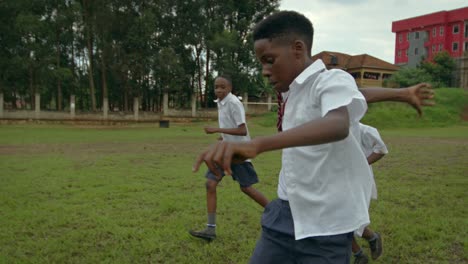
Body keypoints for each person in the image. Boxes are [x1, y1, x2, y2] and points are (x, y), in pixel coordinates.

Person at [193, 11, 434, 263]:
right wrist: (403, 94)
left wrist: (258, 145)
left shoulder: (331, 79)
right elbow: (360, 93)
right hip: (284, 213)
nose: (264, 71)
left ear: (298, 48)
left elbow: (337, 123)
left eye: (269, 60)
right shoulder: (293, 92)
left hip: (327, 226)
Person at [189, 75, 269, 242]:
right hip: (226, 151)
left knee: (246, 188)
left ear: (229, 88)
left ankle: (277, 212)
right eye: (216, 87)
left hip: (239, 153)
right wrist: (222, 139)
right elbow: (230, 129)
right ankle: (210, 230)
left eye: (222, 87)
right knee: (210, 184)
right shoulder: (221, 103)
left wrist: (216, 130)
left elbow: (242, 131)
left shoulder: (233, 103)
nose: (219, 90)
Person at [352, 123, 389, 264]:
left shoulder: (363, 129)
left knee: (351, 221)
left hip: (358, 182)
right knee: (337, 219)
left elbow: (381, 149)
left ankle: (372, 239)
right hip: (336, 180)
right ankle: (359, 254)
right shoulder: (330, 127)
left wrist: (361, 164)